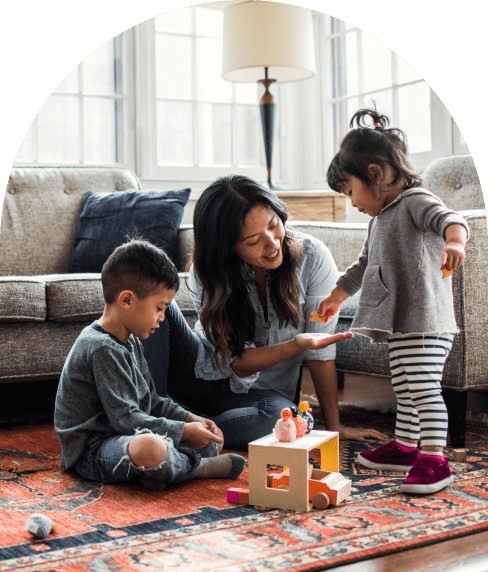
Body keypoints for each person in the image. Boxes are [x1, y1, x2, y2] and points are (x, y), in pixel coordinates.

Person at [160, 175, 387, 450]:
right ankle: (163, 417)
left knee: (291, 420)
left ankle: (175, 428)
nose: (271, 244)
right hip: (197, 379)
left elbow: (319, 351)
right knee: (154, 299)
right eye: (253, 240)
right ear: (226, 247)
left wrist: (334, 425)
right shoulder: (207, 271)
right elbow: (237, 363)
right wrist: (294, 345)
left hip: (264, 398)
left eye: (273, 225)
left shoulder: (312, 259)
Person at [316, 107, 469, 494]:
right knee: (404, 386)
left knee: (422, 388)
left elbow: (451, 219)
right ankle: (404, 447)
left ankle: (434, 459)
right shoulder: (378, 219)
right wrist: (338, 294)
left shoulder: (416, 200)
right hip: (399, 322)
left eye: (350, 190)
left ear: (375, 173)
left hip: (425, 320)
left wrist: (454, 241)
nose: (351, 201)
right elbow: (363, 264)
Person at [54, 238, 246, 491]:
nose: (163, 317)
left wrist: (192, 418)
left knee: (206, 441)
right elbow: (126, 420)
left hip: (124, 434)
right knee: (151, 448)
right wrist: (185, 431)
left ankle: (164, 470)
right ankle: (196, 468)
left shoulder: (130, 341)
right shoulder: (102, 347)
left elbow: (152, 401)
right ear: (126, 300)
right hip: (92, 450)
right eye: (159, 307)